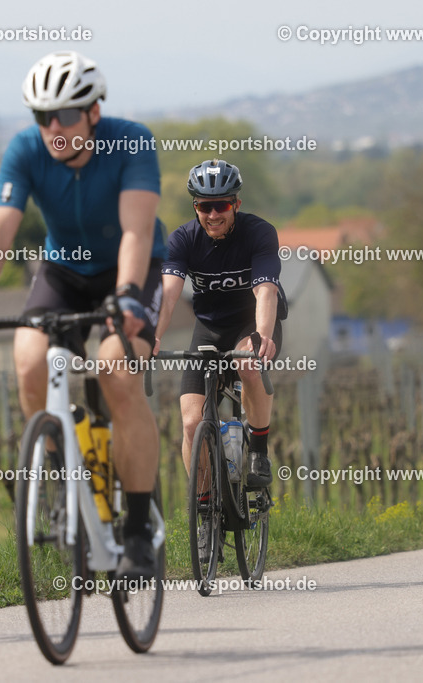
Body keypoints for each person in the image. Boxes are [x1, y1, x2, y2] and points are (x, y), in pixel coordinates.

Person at [0, 51, 166, 580]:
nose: (53, 128)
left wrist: (130, 295)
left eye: (65, 115)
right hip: (64, 271)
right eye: (42, 116)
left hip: (131, 272)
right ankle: (64, 474)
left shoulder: (130, 140)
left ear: (93, 112)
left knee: (118, 373)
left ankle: (137, 527)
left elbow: (137, 230)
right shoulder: (25, 149)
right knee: (28, 359)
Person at [154, 159, 283, 560]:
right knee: (192, 422)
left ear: (236, 204)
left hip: (253, 322)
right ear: (195, 207)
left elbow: (265, 291)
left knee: (247, 364)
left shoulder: (259, 233)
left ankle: (258, 450)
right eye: (204, 206)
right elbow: (170, 292)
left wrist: (261, 335)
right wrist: (152, 335)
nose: (212, 214)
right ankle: (206, 510)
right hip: (208, 329)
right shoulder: (182, 240)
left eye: (221, 205)